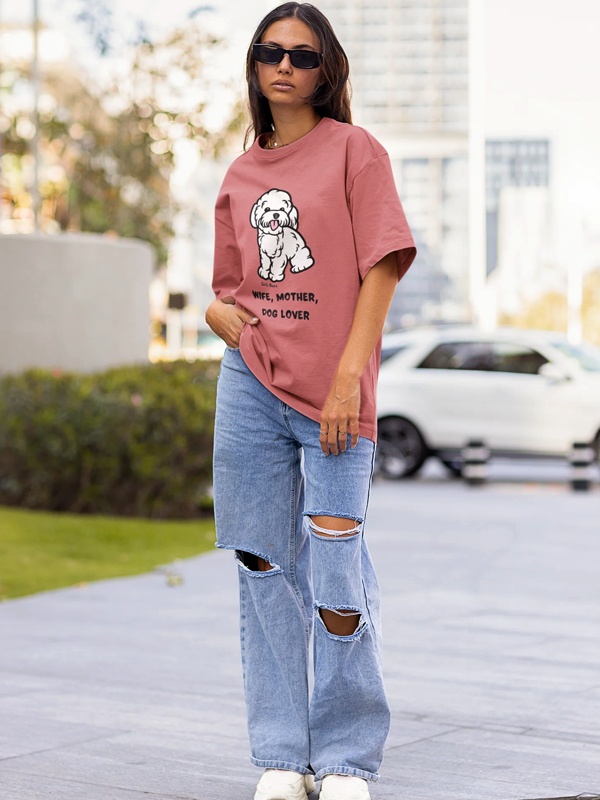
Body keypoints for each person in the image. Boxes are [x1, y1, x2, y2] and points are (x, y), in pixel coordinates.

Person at [206, 3, 416, 799]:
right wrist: (211, 313)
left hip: (335, 393)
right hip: (250, 387)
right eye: (270, 52)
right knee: (262, 565)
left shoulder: (356, 152)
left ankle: (346, 759)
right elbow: (231, 292)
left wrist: (346, 380)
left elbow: (383, 267)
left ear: (327, 69)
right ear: (255, 68)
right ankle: (281, 757)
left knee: (335, 566)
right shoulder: (240, 173)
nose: (285, 65)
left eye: (302, 54)